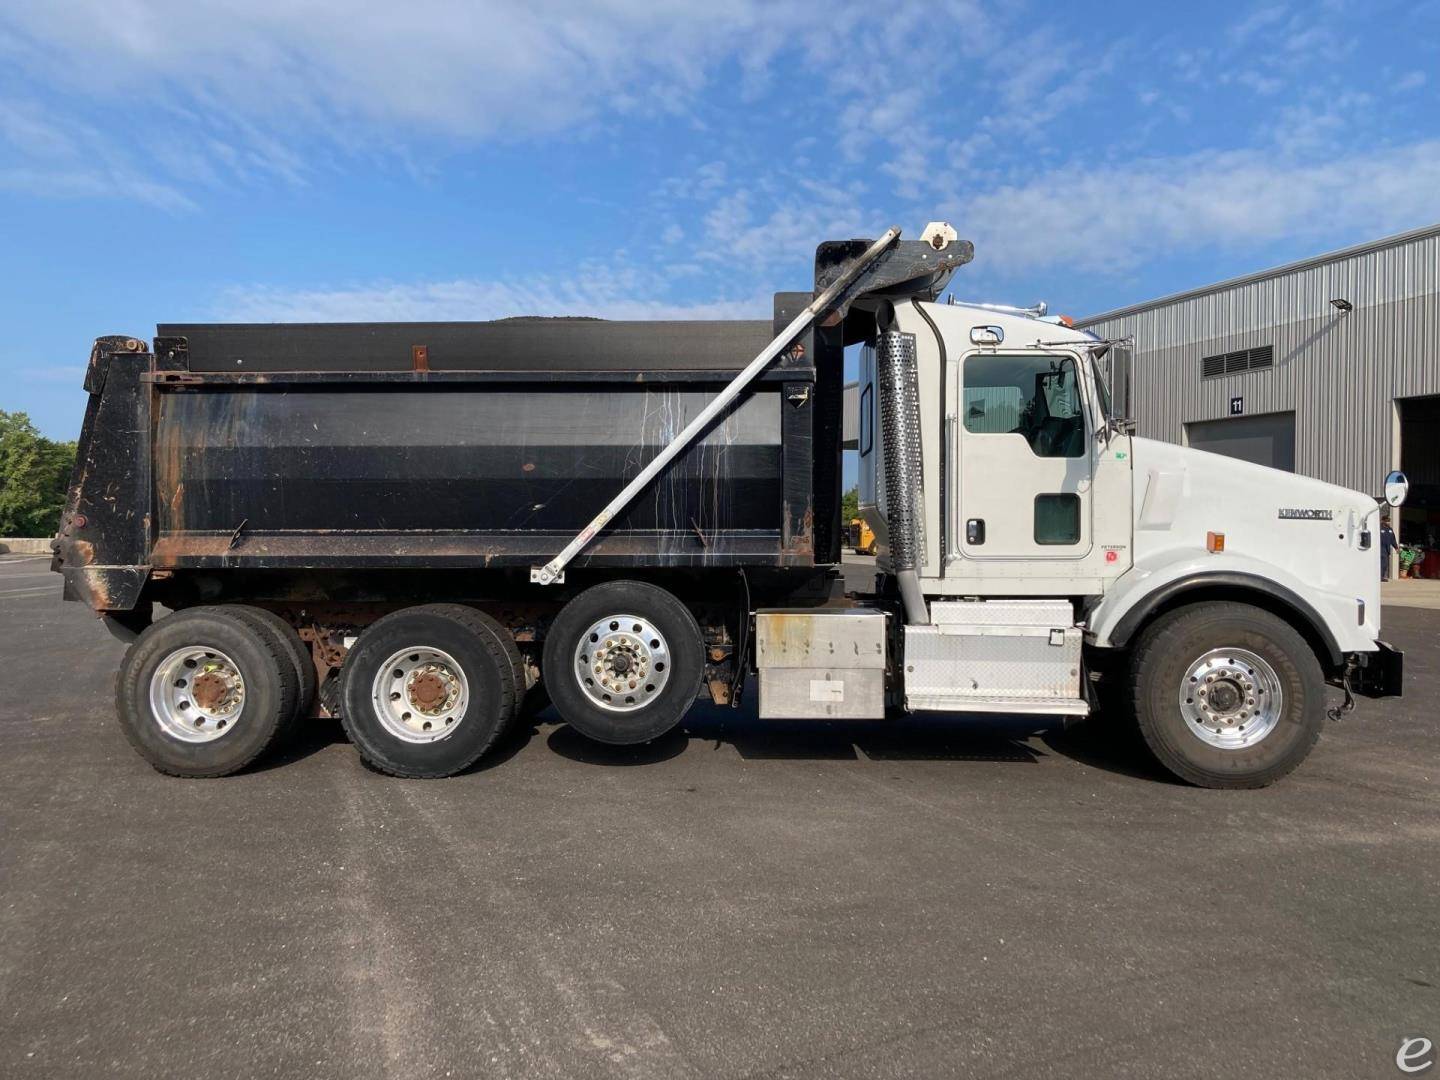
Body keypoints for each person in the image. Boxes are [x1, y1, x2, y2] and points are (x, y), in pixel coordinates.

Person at [1380, 514, 1397, 581]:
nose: (1388, 522)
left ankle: (1382, 576)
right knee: (1382, 563)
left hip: (1387, 549)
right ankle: (1380, 577)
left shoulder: (1390, 529)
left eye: (1389, 521)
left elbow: (1393, 539)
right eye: (1387, 521)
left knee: (1385, 564)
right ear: (1383, 521)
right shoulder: (1379, 528)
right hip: (1380, 548)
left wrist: (1396, 547)